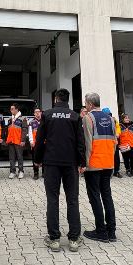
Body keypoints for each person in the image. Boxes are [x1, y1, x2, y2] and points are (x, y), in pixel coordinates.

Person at [33, 88, 86, 253]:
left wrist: (37, 159)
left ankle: (54, 239)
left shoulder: (47, 115)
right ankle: (74, 239)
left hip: (51, 163)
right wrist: (82, 162)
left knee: (52, 199)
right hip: (70, 163)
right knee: (72, 200)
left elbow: (40, 139)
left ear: (56, 99)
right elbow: (80, 142)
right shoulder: (75, 116)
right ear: (67, 100)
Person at [82, 92, 117, 242]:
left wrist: (84, 164)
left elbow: (88, 143)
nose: (85, 106)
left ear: (90, 104)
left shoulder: (88, 118)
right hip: (108, 163)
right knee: (107, 196)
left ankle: (101, 231)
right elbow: (114, 142)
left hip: (94, 164)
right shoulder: (110, 118)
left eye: (86, 103)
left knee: (95, 197)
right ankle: (111, 231)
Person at [6, 104, 27, 179]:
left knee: (19, 157)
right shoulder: (10, 119)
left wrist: (23, 140)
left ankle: (21, 171)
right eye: (10, 109)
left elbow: (24, 130)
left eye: (12, 109)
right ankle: (12, 172)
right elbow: (7, 130)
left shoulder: (23, 118)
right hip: (11, 141)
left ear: (17, 109)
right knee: (11, 157)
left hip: (18, 141)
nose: (10, 110)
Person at [29, 108, 42, 180]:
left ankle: (44, 173)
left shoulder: (44, 121)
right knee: (35, 158)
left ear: (41, 113)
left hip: (44, 143)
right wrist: (31, 141)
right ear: (34, 114)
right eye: (36, 112)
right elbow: (30, 132)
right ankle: (36, 173)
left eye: (38, 112)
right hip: (35, 143)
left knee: (44, 158)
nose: (37, 113)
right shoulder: (31, 122)